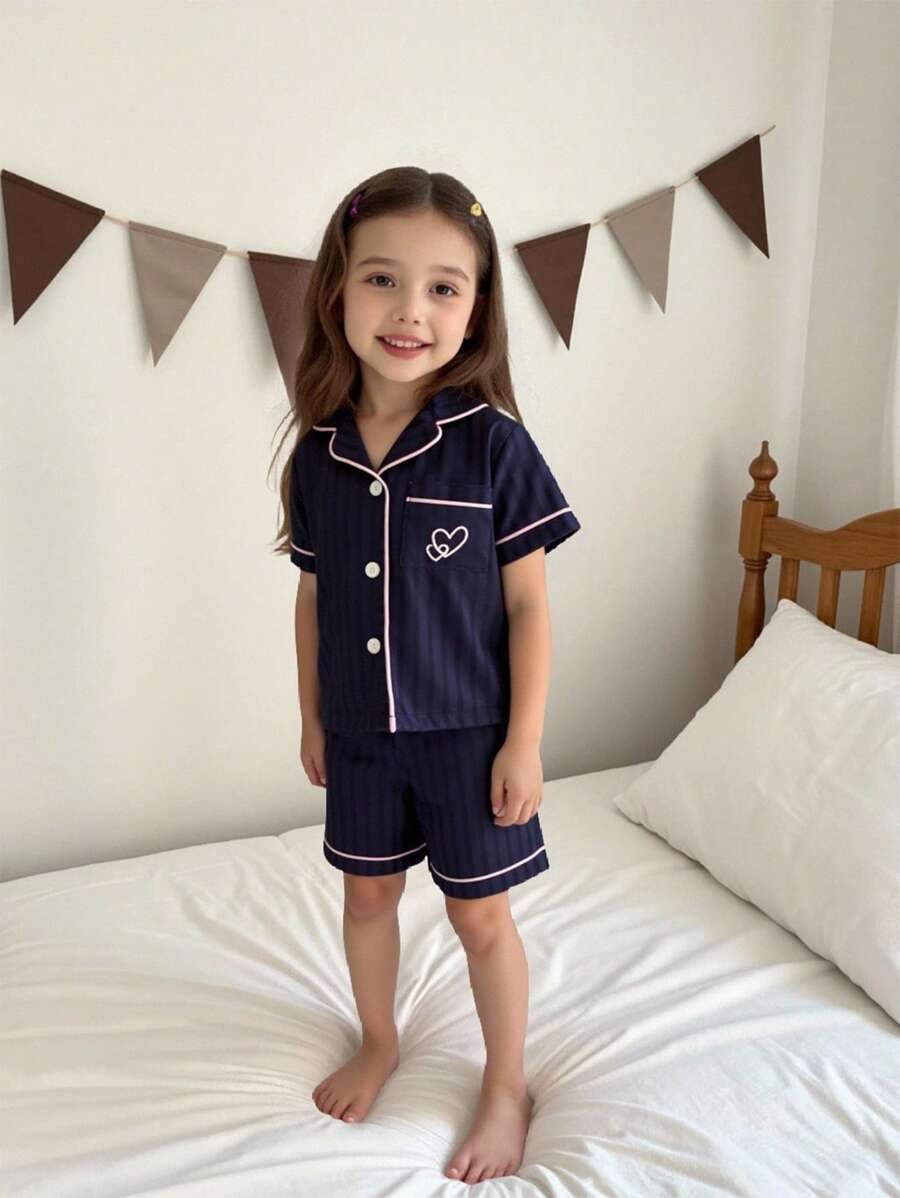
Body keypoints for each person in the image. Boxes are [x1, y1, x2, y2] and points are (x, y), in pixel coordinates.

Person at [271, 167, 581, 1185]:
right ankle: (379, 1038)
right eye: (382, 279)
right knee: (367, 898)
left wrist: (524, 741)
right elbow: (314, 597)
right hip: (362, 734)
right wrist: (313, 717)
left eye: (444, 287)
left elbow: (528, 607)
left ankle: (505, 1084)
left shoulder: (494, 447)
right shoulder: (317, 457)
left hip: (469, 735)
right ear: (337, 292)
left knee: (478, 915)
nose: (411, 310)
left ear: (476, 308)